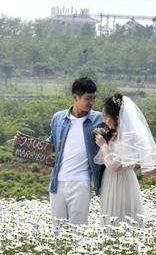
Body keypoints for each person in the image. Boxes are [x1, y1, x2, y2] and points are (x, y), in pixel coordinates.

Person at [16, 77, 104, 232]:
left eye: (94, 98)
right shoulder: (58, 118)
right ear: (75, 97)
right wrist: (23, 143)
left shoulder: (98, 119)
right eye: (88, 98)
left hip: (81, 182)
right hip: (57, 183)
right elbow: (50, 144)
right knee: (58, 231)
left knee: (78, 231)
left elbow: (112, 135)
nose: (91, 102)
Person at [94, 93, 156, 229]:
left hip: (121, 181)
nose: (104, 120)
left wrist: (103, 146)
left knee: (121, 217)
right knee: (111, 218)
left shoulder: (128, 137)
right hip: (110, 181)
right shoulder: (115, 134)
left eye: (106, 117)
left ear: (117, 117)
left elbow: (115, 166)